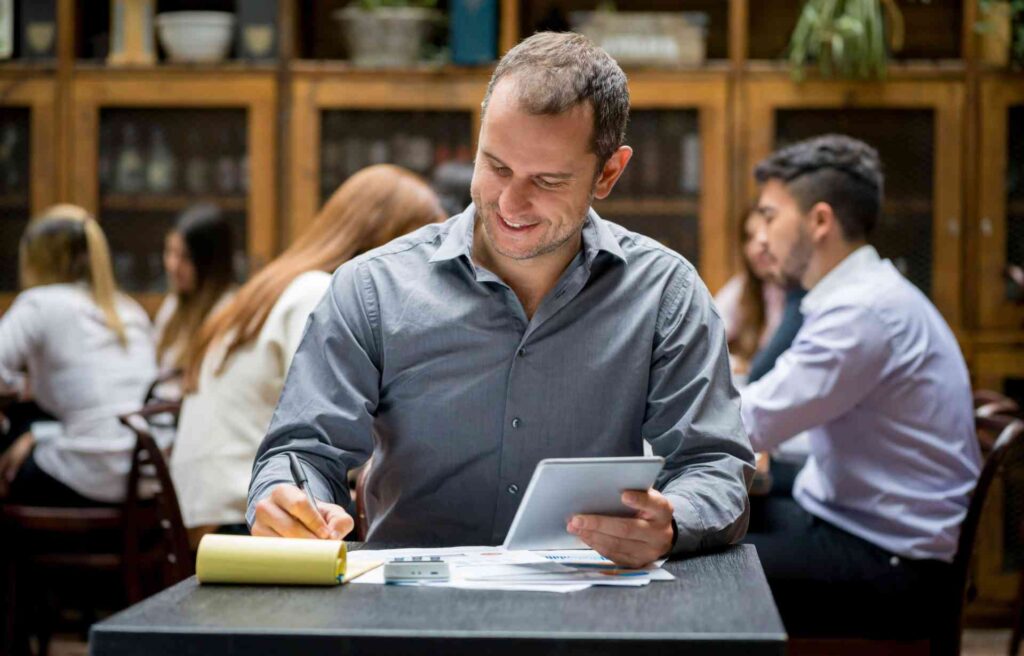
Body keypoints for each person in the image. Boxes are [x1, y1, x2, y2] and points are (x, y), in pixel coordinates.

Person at [247, 32, 754, 569]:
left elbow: (714, 463)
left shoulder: (664, 294)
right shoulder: (371, 289)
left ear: (608, 173)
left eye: (548, 180)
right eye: (497, 167)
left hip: (590, 613)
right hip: (409, 615)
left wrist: (671, 519)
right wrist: (288, 498)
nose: (511, 203)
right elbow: (302, 451)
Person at [740, 134, 981, 639]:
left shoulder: (862, 312)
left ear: (819, 221)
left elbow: (747, 423)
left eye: (769, 215)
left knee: (708, 568)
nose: (761, 236)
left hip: (893, 563)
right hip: (864, 525)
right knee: (728, 519)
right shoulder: (862, 294)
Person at [170, 165, 445, 546]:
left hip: (203, 517)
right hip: (250, 522)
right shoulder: (320, 293)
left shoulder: (275, 285)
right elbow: (325, 421)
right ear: (386, 240)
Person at [0, 205, 156, 505]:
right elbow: (105, 416)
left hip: (86, 477)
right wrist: (38, 435)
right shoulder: (130, 309)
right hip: (143, 480)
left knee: (15, 425)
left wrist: (21, 388)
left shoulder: (40, 303)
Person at [154, 203, 237, 396]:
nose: (173, 265)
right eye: (170, 252)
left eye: (186, 257)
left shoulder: (228, 312)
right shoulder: (173, 304)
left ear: (210, 262)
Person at [714, 208, 786, 376]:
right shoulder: (742, 287)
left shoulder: (800, 292)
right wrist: (737, 365)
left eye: (765, 235)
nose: (757, 248)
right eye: (749, 237)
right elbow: (703, 339)